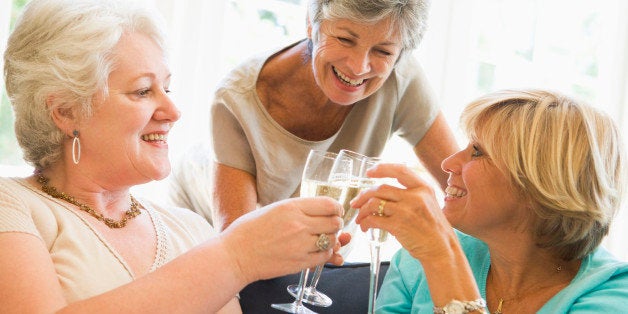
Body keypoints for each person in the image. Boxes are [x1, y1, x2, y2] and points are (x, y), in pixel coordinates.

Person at [0, 0, 348, 313]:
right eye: (142, 91)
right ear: (66, 111)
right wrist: (235, 256)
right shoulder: (11, 206)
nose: (172, 110)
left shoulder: (192, 230)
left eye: (167, 89)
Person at [351, 89, 628, 313]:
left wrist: (441, 256)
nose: (448, 163)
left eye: (478, 152)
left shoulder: (612, 296)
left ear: (539, 186)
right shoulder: (416, 263)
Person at [202, 0, 459, 230]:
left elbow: (462, 186)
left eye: (382, 52)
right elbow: (237, 244)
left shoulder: (401, 79)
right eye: (345, 40)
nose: (358, 67)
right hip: (212, 232)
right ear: (311, 25)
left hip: (320, 259)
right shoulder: (236, 98)